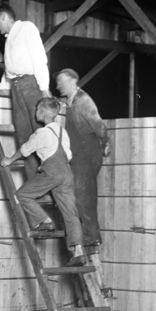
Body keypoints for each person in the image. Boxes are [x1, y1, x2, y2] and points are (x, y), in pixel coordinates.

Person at [0, 98, 86, 267]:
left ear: (44, 113)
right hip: (67, 174)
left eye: (38, 109)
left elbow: (25, 150)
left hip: (52, 172)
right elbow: (68, 155)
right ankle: (79, 253)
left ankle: (44, 220)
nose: (36, 113)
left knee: (23, 195)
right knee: (71, 213)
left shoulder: (42, 133)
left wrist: (9, 160)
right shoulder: (62, 131)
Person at [0, 2, 51, 181]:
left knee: (39, 132)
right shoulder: (9, 38)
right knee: (24, 137)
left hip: (31, 85)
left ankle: (49, 179)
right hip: (17, 88)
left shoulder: (26, 28)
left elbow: (39, 59)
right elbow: (10, 70)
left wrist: (44, 88)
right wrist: (0, 88)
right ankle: (34, 182)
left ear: (3, 16)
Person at [55, 69, 109, 248]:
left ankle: (92, 235)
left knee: (84, 196)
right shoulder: (70, 102)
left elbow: (98, 124)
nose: (58, 86)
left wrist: (106, 143)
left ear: (73, 81)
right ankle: (86, 232)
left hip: (88, 154)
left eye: (61, 83)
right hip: (78, 154)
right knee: (79, 194)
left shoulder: (83, 101)